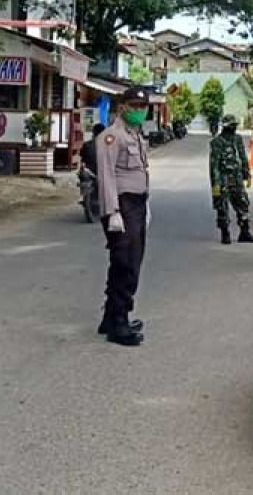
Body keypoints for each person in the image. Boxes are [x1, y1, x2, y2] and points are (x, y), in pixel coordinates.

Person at [94, 89, 152, 348]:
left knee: (132, 261)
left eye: (143, 105)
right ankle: (119, 322)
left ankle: (111, 316)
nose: (140, 109)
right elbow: (106, 177)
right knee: (124, 263)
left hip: (137, 204)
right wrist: (112, 212)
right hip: (122, 205)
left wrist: (146, 203)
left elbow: (142, 172)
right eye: (135, 105)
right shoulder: (111, 137)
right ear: (122, 107)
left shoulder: (136, 136)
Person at [210, 114, 253, 245]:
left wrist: (247, 173)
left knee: (243, 203)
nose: (235, 128)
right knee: (222, 206)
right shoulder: (217, 142)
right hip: (223, 178)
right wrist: (215, 184)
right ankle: (225, 233)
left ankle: (245, 232)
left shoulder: (238, 139)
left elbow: (243, 157)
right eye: (233, 126)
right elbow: (214, 164)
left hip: (236, 177)